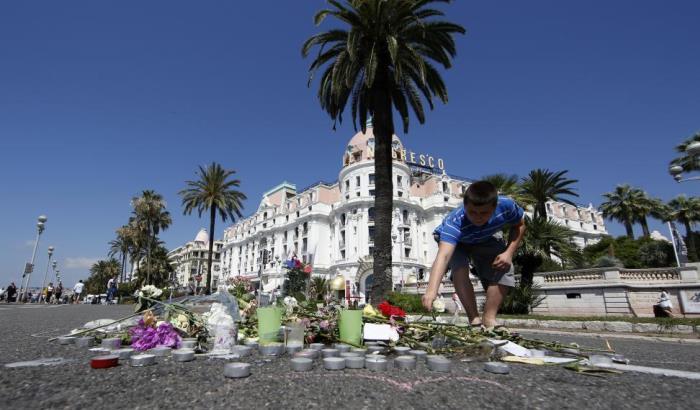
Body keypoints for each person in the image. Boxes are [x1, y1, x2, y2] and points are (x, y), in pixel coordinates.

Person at [422, 180, 526, 330]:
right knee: (460, 269)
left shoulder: (507, 206)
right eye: (472, 212)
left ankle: (489, 319)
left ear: (495, 207)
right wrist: (431, 291)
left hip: (484, 238)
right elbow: (444, 256)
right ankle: (474, 320)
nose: (477, 217)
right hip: (457, 242)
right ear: (464, 206)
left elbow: (520, 225)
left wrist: (509, 253)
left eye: (484, 213)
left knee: (505, 268)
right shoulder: (454, 221)